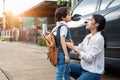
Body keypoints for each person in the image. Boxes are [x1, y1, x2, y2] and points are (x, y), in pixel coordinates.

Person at [66, 14, 106, 80]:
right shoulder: (88, 36)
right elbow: (80, 48)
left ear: (97, 24)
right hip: (83, 68)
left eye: (90, 20)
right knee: (65, 66)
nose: (87, 22)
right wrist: (69, 46)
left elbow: (89, 58)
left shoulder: (99, 39)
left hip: (93, 72)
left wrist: (74, 48)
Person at [54, 7, 72, 80]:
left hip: (63, 52)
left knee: (67, 70)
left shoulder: (59, 26)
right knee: (60, 72)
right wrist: (66, 55)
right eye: (69, 14)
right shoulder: (63, 27)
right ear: (63, 17)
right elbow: (62, 41)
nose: (71, 16)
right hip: (63, 53)